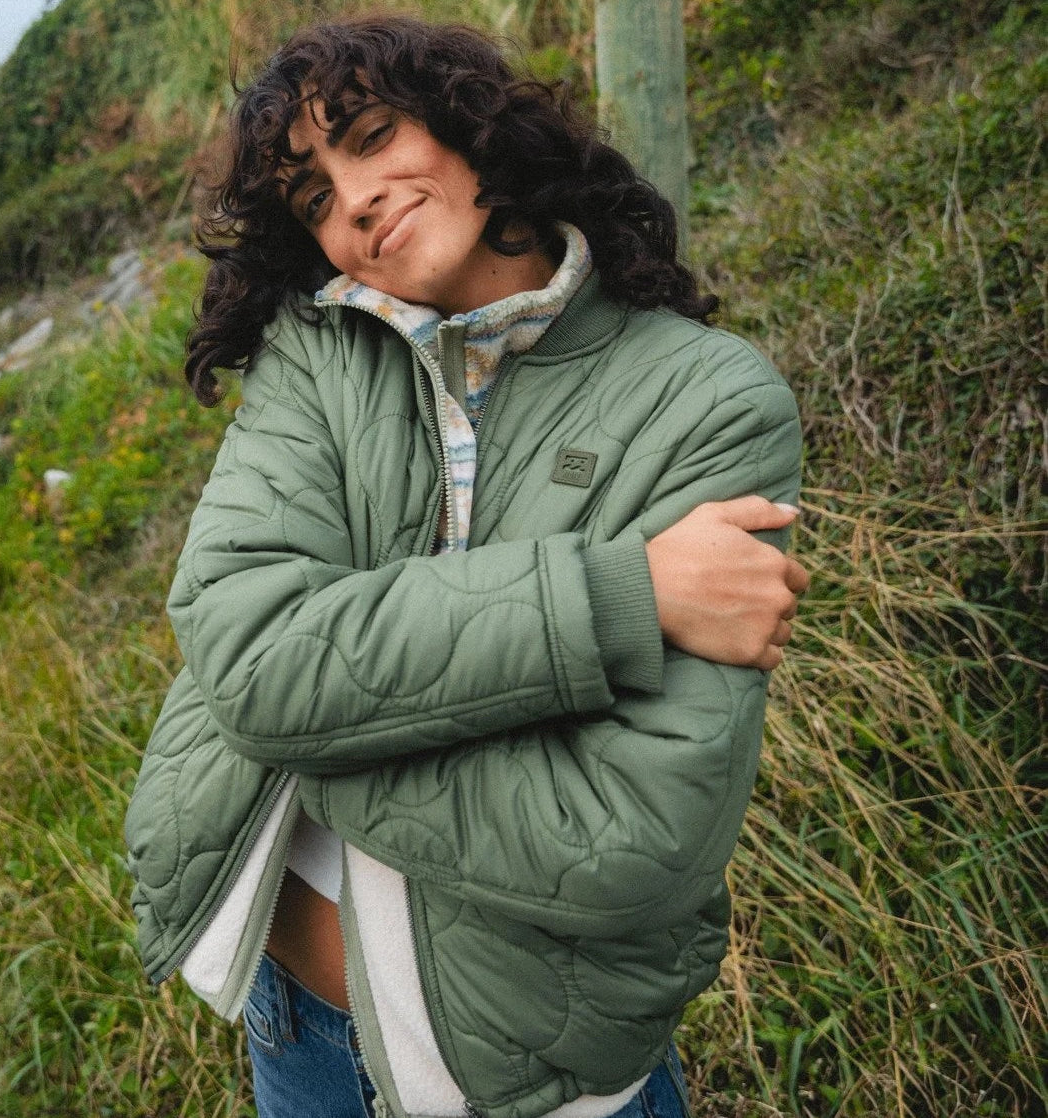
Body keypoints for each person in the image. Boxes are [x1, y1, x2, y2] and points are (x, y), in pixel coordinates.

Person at [125, 16, 808, 1118]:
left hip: (539, 1075)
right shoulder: (321, 349)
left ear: (465, 123)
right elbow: (252, 649)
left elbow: (628, 837)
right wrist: (618, 594)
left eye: (371, 135)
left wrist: (306, 729)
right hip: (296, 1031)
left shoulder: (707, 400)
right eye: (311, 199)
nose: (350, 199)